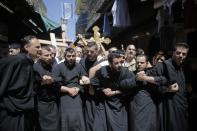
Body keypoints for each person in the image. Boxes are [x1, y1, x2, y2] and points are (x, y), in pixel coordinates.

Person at [138, 42, 190, 131]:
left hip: (181, 107)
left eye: (184, 54)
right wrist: (166, 89)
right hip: (169, 107)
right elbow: (150, 85)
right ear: (173, 53)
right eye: (178, 53)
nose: (181, 56)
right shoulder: (163, 65)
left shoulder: (182, 68)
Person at [0, 35, 41, 131]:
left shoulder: (28, 62)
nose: (40, 49)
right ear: (26, 47)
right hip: (11, 112)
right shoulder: (17, 60)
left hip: (23, 111)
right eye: (37, 47)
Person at [91, 52, 136, 131]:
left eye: (121, 62)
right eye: (116, 63)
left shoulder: (126, 72)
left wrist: (115, 92)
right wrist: (103, 89)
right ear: (109, 63)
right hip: (104, 104)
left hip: (119, 104)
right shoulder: (103, 70)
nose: (119, 65)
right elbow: (95, 82)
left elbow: (132, 88)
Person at [52, 48, 87, 131]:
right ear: (65, 56)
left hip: (76, 95)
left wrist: (78, 88)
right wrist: (68, 90)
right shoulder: (58, 67)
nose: (71, 58)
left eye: (73, 56)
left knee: (78, 118)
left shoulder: (79, 66)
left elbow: (84, 81)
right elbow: (55, 84)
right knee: (66, 119)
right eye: (69, 56)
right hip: (64, 95)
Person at [33, 46, 60, 131]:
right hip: (41, 104)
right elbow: (32, 84)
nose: (49, 57)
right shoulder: (35, 67)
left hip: (53, 103)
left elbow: (60, 78)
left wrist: (53, 80)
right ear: (39, 56)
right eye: (46, 55)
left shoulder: (53, 66)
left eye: (50, 55)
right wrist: (41, 81)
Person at [79, 42, 101, 131]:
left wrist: (90, 81)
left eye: (91, 52)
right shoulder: (82, 61)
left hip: (97, 95)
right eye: (87, 51)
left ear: (97, 52)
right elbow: (80, 73)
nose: (89, 54)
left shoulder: (101, 62)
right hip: (85, 94)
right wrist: (82, 76)